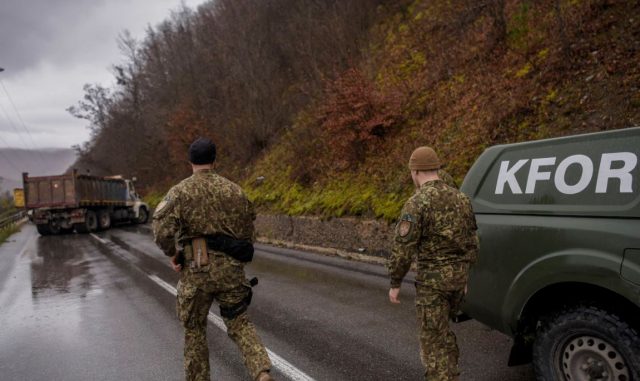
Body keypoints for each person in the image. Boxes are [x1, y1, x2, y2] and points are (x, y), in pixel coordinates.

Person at [152, 137, 274, 381]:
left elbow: (161, 231)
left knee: (195, 330)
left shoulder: (180, 192)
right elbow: (248, 233)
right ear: (214, 161)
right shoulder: (235, 191)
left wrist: (173, 254)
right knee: (239, 323)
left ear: (190, 162)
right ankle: (261, 372)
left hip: (197, 270)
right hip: (231, 271)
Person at [387, 146, 479, 381]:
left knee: (433, 342)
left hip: (433, 285)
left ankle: (443, 376)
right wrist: (465, 276)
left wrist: (395, 281)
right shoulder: (462, 199)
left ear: (415, 172)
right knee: (443, 334)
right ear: (437, 168)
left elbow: (403, 248)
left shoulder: (417, 203)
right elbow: (473, 242)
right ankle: (451, 372)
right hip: (458, 281)